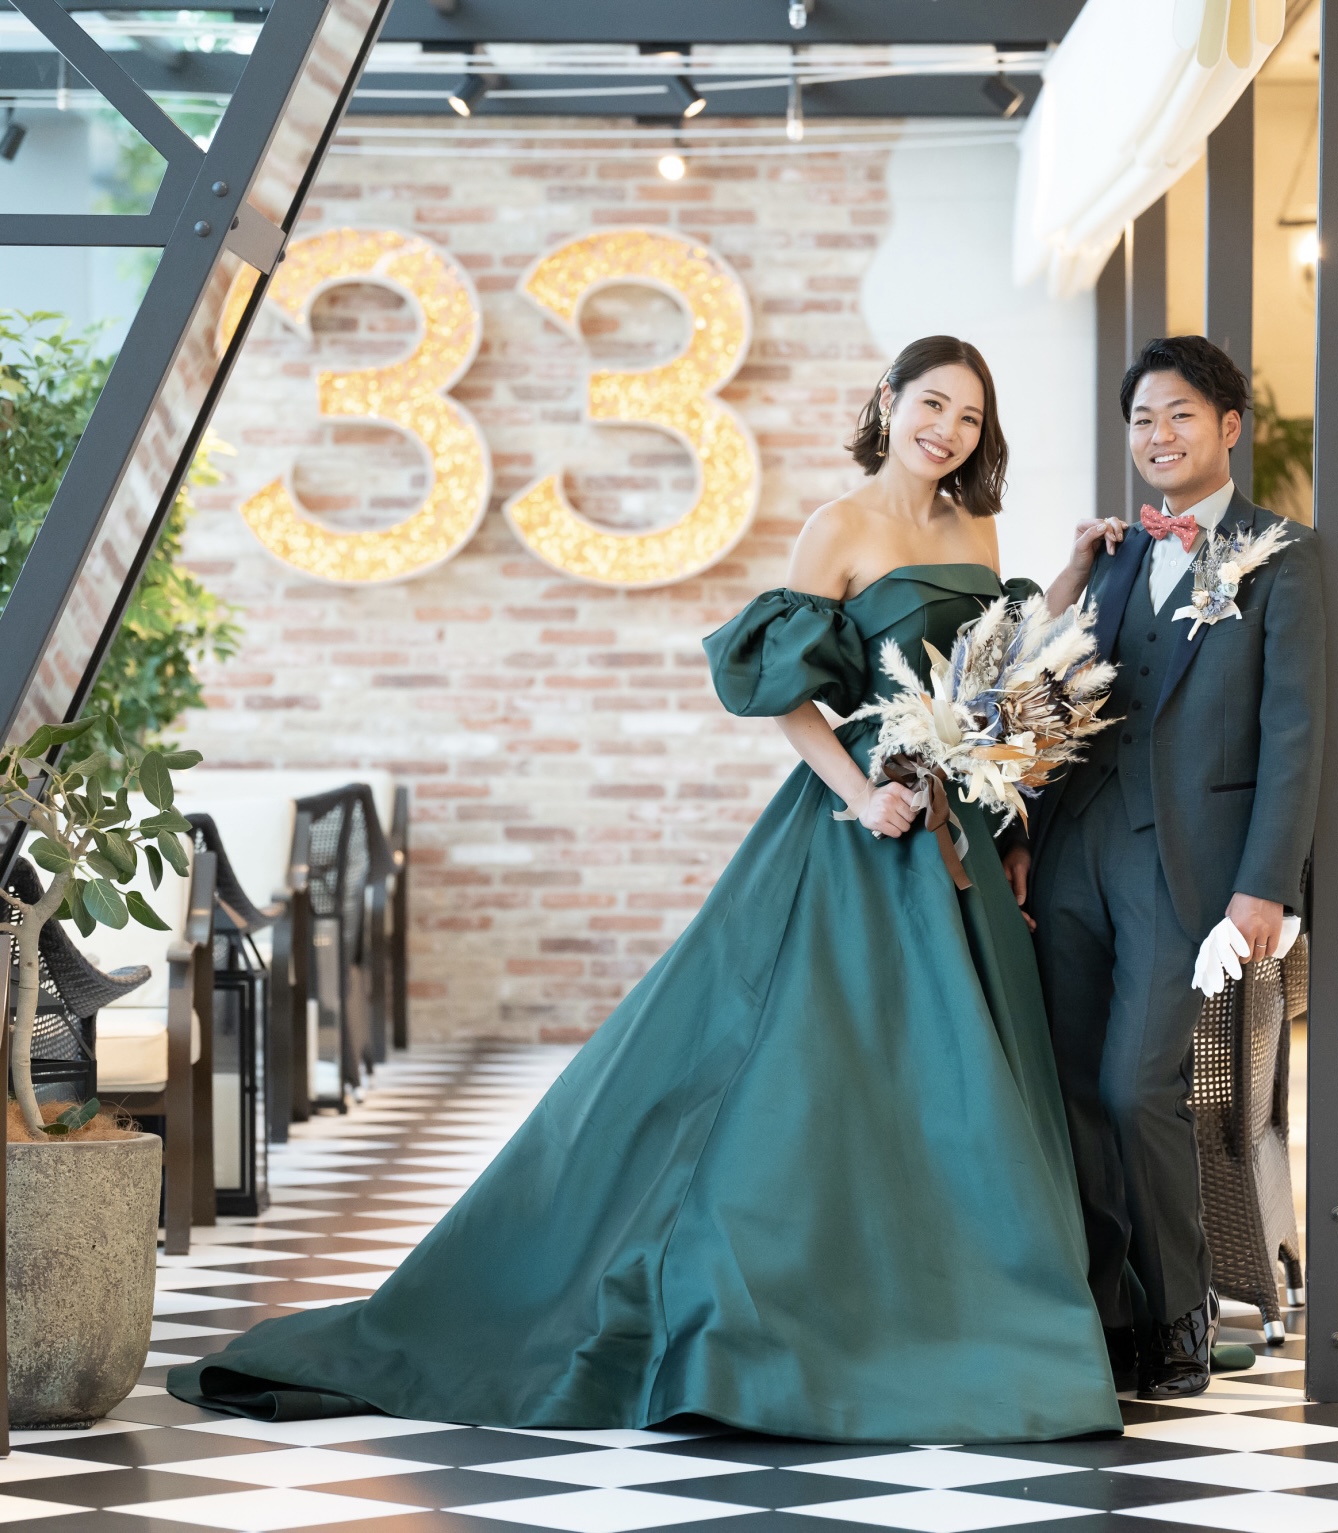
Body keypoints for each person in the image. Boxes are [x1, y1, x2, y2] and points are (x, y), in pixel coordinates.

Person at [167, 335, 1127, 1443]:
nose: (946, 430)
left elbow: (994, 673)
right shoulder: (839, 527)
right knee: (820, 1077)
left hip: (954, 827)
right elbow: (778, 691)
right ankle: (784, 1314)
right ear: (888, 401)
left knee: (957, 1086)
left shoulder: (974, 526)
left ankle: (960, 1307)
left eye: (967, 415)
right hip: (864, 831)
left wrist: (1070, 577)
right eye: (931, 404)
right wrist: (864, 794)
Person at [1006, 335, 1325, 1401]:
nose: (1159, 435)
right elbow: (1055, 704)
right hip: (1074, 850)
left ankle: (1182, 1309)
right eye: (1143, 418)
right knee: (1072, 1087)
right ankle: (1108, 1314)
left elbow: (1293, 734)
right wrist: (1022, 835)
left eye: (1180, 414)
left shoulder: (1284, 556)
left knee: (1138, 1085)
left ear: (1229, 426)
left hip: (1186, 867)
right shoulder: (1114, 556)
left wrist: (1265, 882)